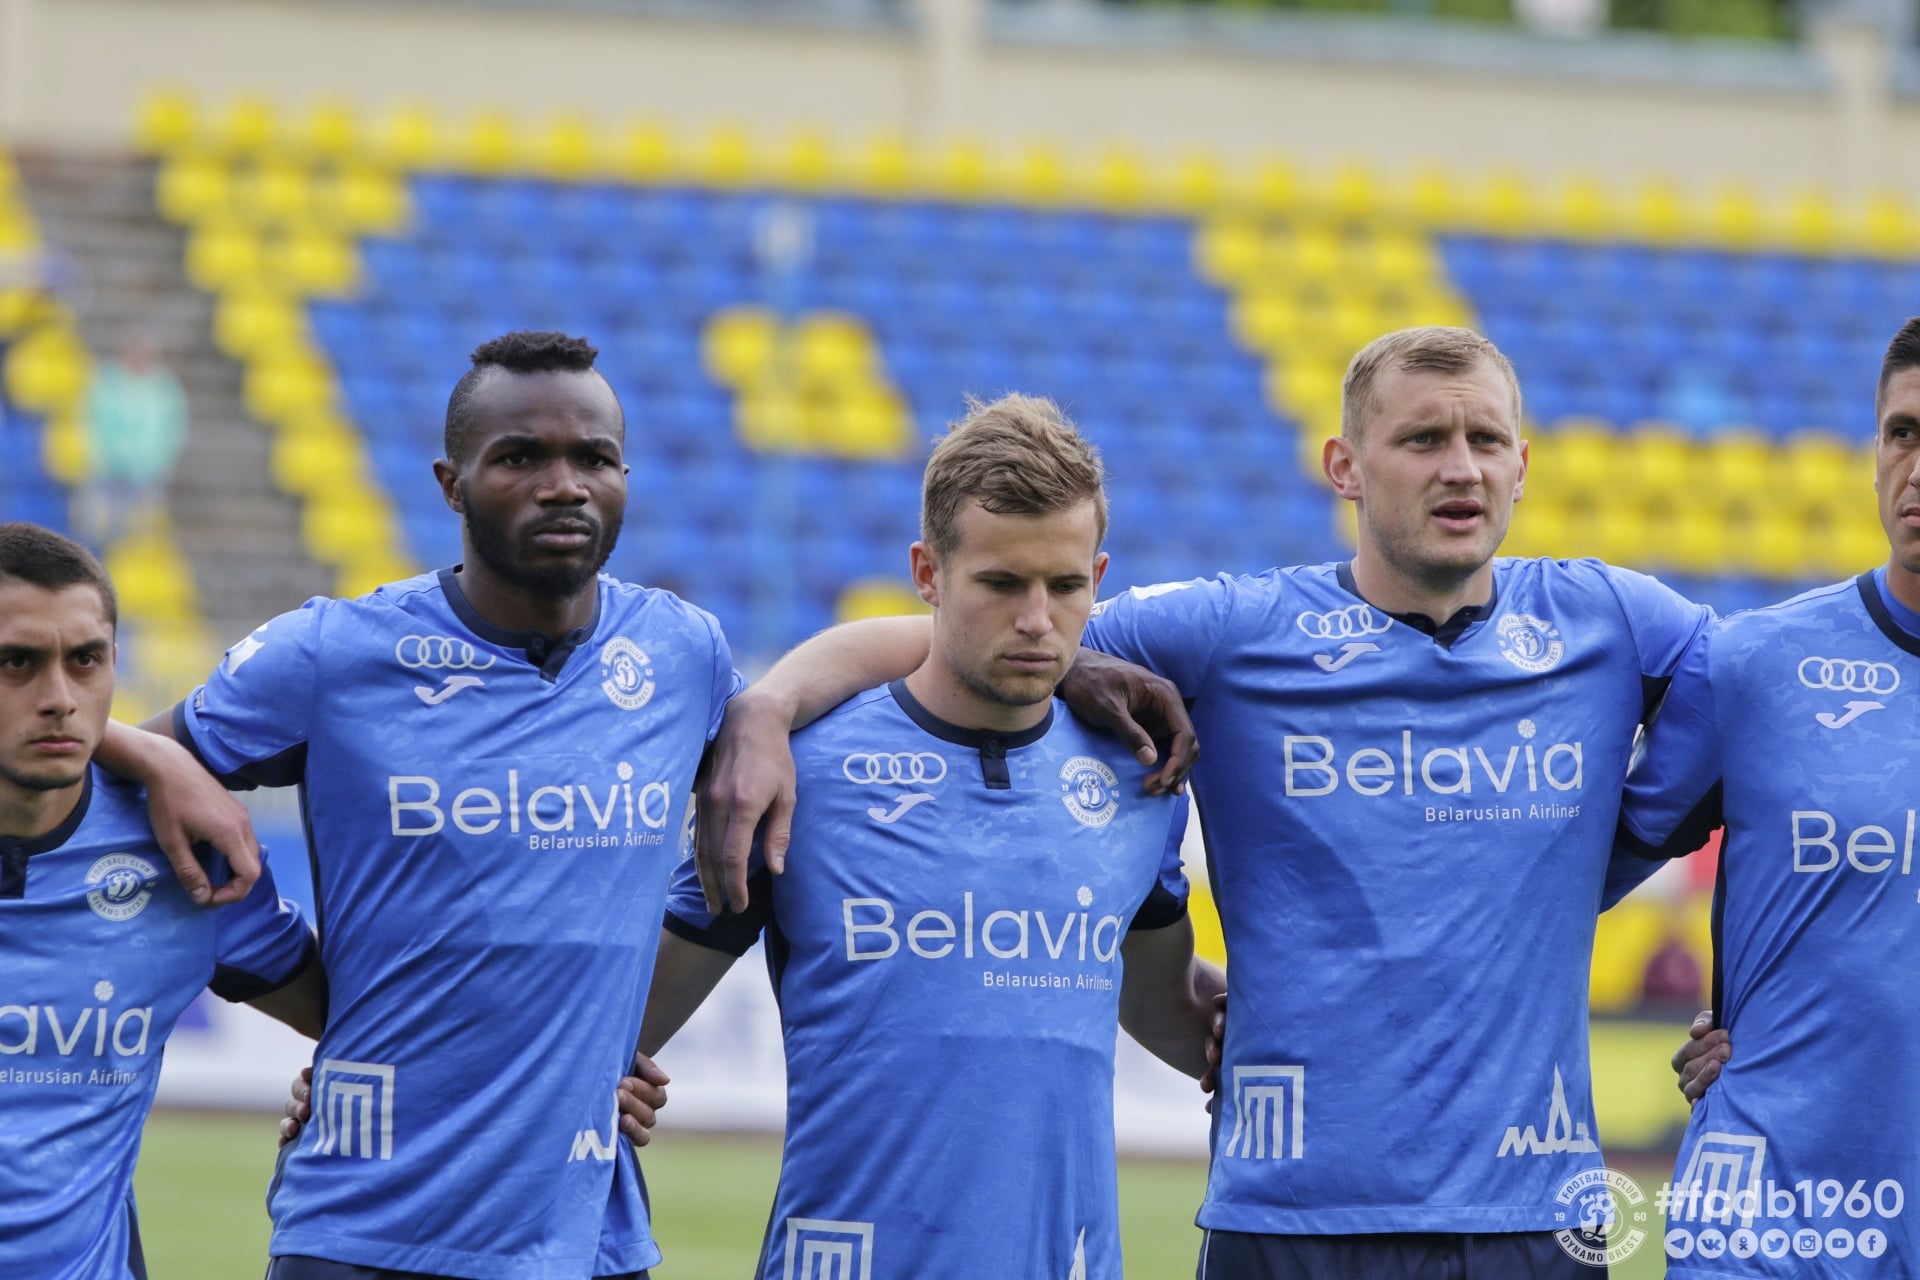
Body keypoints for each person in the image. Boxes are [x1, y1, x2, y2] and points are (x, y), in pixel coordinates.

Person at [699, 326, 1712, 1278]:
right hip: (1288, 1213)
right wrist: (772, 702)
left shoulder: (1610, 619)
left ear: (1522, 465)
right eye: (1423, 439)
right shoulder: (1233, 631)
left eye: (1486, 440)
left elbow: (1772, 714)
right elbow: (977, 636)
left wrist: (1750, 999)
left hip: (1537, 1209)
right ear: (1344, 467)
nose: (1461, 467)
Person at [98, 332, 726, 1280]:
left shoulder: (684, 655)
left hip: (587, 1239)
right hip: (363, 1232)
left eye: (593, 458)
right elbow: (108, 786)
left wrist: (614, 1044)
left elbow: (781, 823)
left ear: (624, 476)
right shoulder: (332, 655)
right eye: (520, 458)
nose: (564, 486)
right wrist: (296, 981)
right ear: (451, 484)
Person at [614, 395, 1225, 1278]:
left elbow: (1166, 1005)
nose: (1036, 619)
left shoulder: (1139, 780)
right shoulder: (803, 771)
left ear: (1098, 575)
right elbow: (628, 1010)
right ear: (928, 573)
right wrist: (589, 1074)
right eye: (1000, 584)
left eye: (1065, 587)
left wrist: (1287, 1029)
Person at [1614, 316, 1920, 1277]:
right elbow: (1553, 888)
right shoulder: (1755, 665)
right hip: (1775, 1218)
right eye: (1903, 433)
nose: (1917, 468)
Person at [0, 522, 324, 1278]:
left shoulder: (184, 858)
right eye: (16, 662)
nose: (59, 699)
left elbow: (362, 1020)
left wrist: (346, 1074)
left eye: (85, 660)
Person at [80, 334, 188, 550]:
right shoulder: (106, 383)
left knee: (142, 530)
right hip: (105, 466)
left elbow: (172, 428)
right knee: (97, 525)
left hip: (148, 470)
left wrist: (161, 460)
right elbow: (91, 421)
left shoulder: (165, 388)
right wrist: (98, 455)